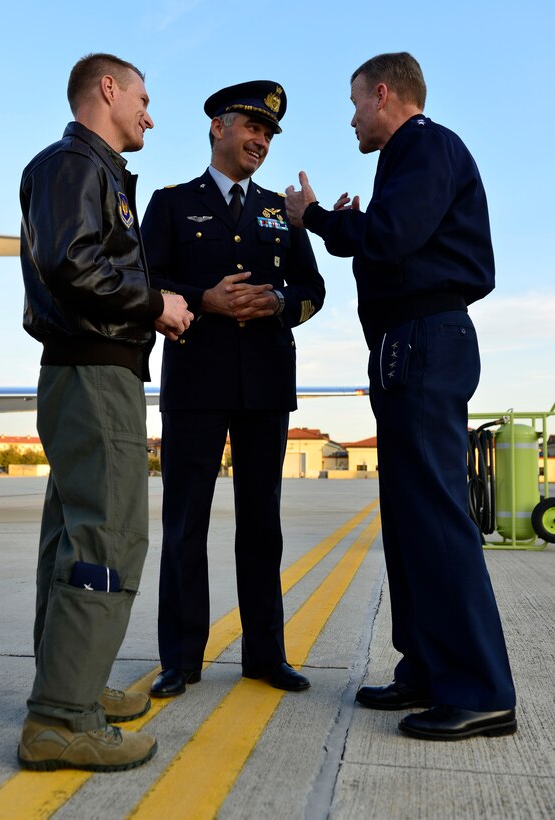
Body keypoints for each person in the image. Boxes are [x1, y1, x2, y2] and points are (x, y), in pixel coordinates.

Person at [285, 52, 516, 741]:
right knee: (411, 520)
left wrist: (316, 217)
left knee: (437, 517)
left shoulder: (424, 144)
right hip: (405, 344)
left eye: (356, 102)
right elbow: (394, 239)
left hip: (424, 339)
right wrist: (358, 226)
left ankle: (479, 689)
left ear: (383, 94)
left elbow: (391, 236)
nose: (353, 116)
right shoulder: (408, 159)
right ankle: (427, 667)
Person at [18, 53, 193, 771]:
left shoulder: (91, 170)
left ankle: (72, 688)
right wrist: (157, 305)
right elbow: (74, 264)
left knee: (74, 539)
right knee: (108, 540)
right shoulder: (73, 165)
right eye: (144, 99)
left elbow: (82, 262)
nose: (150, 114)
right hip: (93, 372)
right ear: (108, 89)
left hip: (90, 369)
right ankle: (62, 717)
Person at [141, 80, 325, 697]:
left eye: (269, 133)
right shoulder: (170, 204)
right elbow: (147, 282)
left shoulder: (278, 210)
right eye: (252, 127)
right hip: (196, 381)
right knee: (185, 521)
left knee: (261, 524)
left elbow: (312, 289)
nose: (262, 141)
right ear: (218, 126)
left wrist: (277, 300)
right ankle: (181, 659)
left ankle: (265, 656)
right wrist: (205, 300)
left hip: (266, 384)